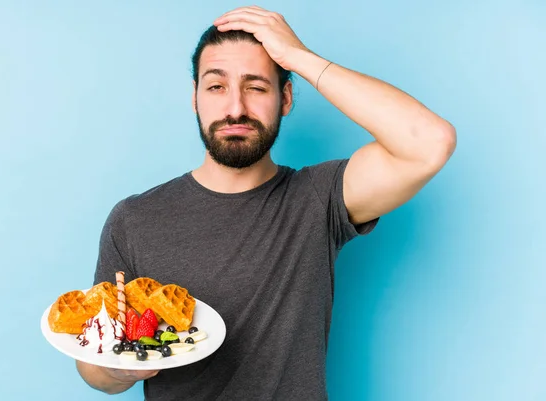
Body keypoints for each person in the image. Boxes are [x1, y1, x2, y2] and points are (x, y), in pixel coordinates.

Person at [75, 5, 456, 400]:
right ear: (195, 98)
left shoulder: (317, 199)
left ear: (285, 97)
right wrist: (117, 370)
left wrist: (299, 58)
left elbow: (429, 142)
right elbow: (92, 366)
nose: (235, 108)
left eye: (256, 87)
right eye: (216, 87)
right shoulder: (135, 219)